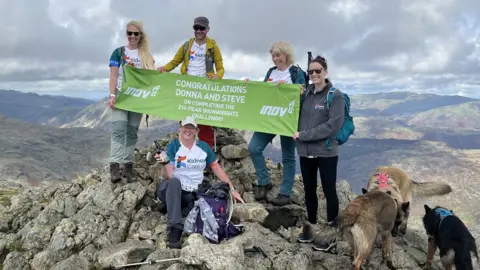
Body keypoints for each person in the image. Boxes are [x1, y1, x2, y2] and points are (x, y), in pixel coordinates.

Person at [154, 116, 244, 249]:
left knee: (205, 195)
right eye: (185, 127)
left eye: (191, 128)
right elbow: (167, 175)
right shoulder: (173, 146)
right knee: (174, 182)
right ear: (180, 128)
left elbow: (217, 168)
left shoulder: (203, 147)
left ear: (197, 130)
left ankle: (176, 207)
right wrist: (165, 163)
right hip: (171, 189)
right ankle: (175, 230)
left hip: (192, 193)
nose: (188, 130)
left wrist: (232, 189)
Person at [245, 41, 306, 206]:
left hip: (288, 120)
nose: (275, 59)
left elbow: (302, 93)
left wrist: (290, 89)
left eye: (278, 55)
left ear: (286, 55)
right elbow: (263, 92)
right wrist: (250, 86)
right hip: (269, 118)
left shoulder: (296, 72)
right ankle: (264, 181)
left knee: (288, 156)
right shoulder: (271, 72)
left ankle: (285, 193)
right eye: (273, 55)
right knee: (254, 148)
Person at [293, 56, 345, 245]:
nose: (314, 74)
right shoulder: (306, 94)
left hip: (326, 152)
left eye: (318, 71)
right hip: (305, 152)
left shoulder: (335, 96)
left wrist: (303, 135)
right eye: (311, 71)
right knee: (309, 191)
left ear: (325, 72)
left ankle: (331, 234)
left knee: (329, 190)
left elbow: (332, 126)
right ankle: (311, 228)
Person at [157, 16, 224, 151]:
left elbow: (221, 67)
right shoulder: (187, 45)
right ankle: (186, 155)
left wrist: (218, 76)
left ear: (208, 29)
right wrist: (164, 69)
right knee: (185, 123)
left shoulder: (213, 47)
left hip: (205, 89)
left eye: (202, 28)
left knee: (204, 124)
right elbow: (175, 61)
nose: (199, 31)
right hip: (187, 89)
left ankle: (206, 158)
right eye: (196, 28)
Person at [108, 20, 155, 183]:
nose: (132, 36)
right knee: (118, 129)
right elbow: (113, 75)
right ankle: (114, 167)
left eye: (136, 33)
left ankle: (127, 167)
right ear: (126, 34)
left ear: (140, 35)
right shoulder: (118, 53)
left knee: (132, 132)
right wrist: (112, 95)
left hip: (137, 98)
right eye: (130, 33)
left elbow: (152, 78)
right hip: (121, 95)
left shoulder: (146, 56)